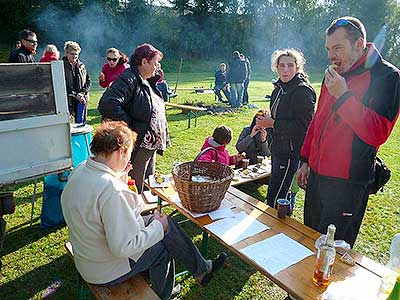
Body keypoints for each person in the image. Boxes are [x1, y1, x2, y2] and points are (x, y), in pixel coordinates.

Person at [60, 120, 227, 300]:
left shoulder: (80, 169)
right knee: (163, 245)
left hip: (88, 256)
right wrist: (157, 228)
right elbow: (123, 248)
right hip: (104, 270)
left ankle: (203, 269)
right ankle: (167, 293)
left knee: (166, 222)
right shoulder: (111, 190)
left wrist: (120, 181)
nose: (129, 160)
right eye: (129, 154)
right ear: (120, 152)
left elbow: (108, 212)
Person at [297, 16, 400, 248]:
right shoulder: (334, 73)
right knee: (310, 240)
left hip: (347, 184)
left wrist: (343, 96)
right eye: (328, 49)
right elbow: (318, 119)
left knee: (333, 251)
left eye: (338, 48)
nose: (331, 55)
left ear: (359, 44)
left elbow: (378, 132)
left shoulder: (388, 77)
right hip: (317, 177)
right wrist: (305, 160)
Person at [98, 43, 170, 193]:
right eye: (155, 63)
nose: (157, 66)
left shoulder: (146, 79)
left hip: (150, 145)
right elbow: (108, 103)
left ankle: (146, 213)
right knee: (134, 184)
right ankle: (133, 213)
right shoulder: (129, 78)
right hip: (140, 143)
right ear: (144, 62)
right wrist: (129, 124)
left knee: (147, 182)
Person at [258, 49, 316, 213]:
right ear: (276, 67)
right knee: (276, 191)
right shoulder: (278, 88)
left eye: (290, 65)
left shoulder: (302, 91)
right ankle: (276, 224)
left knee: (277, 196)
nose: (285, 69)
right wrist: (269, 120)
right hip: (277, 148)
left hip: (291, 152)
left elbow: (304, 127)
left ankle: (276, 230)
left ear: (298, 68)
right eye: (281, 65)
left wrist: (273, 123)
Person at [63, 41, 91, 124]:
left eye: (76, 54)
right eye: (72, 54)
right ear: (66, 53)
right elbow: (61, 84)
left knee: (81, 123)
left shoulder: (82, 65)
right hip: (68, 99)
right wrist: (74, 94)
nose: (74, 56)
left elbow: (88, 81)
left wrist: (82, 93)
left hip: (82, 98)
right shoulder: (61, 66)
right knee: (68, 125)